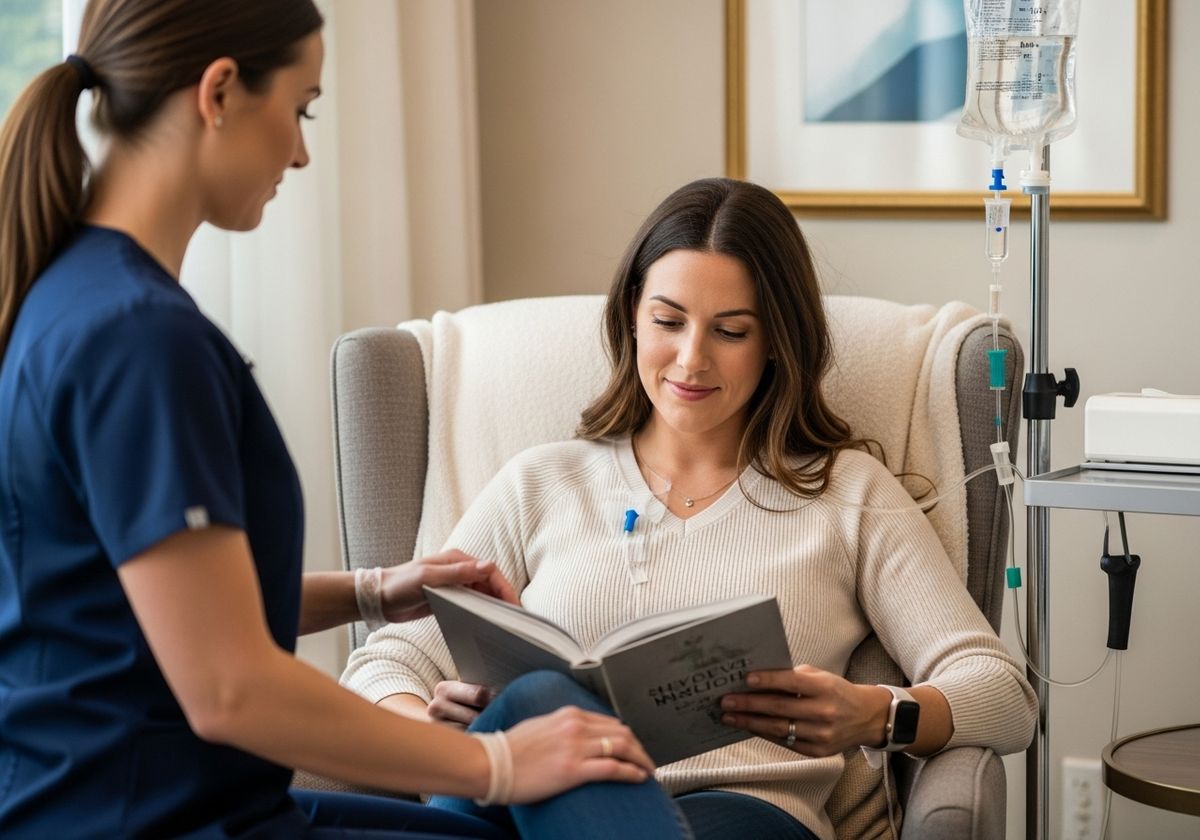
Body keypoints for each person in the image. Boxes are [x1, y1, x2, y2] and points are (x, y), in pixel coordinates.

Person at [0, 1, 693, 838]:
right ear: (219, 92)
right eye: (300, 108)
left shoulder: (69, 297)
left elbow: (162, 607)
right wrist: (499, 764)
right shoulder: (141, 341)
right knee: (534, 756)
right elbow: (229, 687)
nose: (300, 149)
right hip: (150, 814)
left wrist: (380, 589)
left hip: (108, 798)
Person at [341, 177, 1039, 839]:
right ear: (633, 320)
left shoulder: (847, 495)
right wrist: (434, 731)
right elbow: (384, 662)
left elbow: (1004, 694)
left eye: (730, 331)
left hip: (736, 814)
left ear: (775, 344)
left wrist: (876, 716)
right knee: (534, 708)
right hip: (529, 802)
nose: (691, 359)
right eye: (668, 321)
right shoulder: (541, 482)